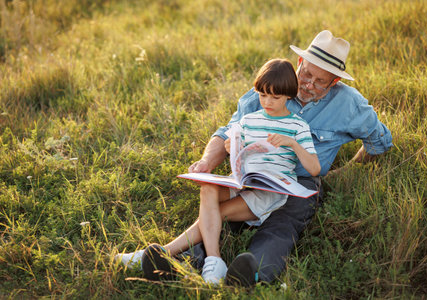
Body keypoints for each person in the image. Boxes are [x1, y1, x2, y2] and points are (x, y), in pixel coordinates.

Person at [117, 30, 393, 286]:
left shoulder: (350, 105)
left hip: (299, 184)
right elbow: (227, 131)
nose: (307, 84)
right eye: (305, 73)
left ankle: (251, 271)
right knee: (223, 211)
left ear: (334, 82)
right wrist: (206, 163)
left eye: (319, 81)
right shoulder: (271, 89)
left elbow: (380, 142)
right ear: (299, 62)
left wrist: (340, 174)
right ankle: (176, 264)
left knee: (281, 227)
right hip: (253, 173)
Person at [115, 59, 321, 285]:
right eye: (262, 95)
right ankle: (206, 260)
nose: (267, 102)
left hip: (269, 193)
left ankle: (182, 256)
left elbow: (314, 168)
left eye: (275, 97)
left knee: (217, 212)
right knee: (208, 188)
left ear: (289, 95)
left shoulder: (297, 126)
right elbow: (235, 144)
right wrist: (231, 147)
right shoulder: (249, 120)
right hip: (242, 182)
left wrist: (293, 144)